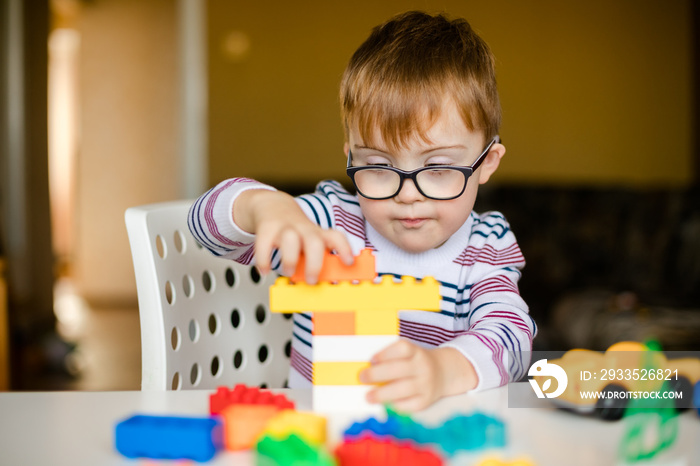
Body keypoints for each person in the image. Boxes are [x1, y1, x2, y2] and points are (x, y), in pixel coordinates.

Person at [188, 10, 536, 411]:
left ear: (487, 163)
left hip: (429, 441)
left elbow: (511, 335)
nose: (408, 195)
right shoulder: (329, 223)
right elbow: (203, 226)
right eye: (379, 166)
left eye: (438, 168)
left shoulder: (487, 246)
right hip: (315, 439)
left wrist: (443, 370)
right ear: (351, 156)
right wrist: (265, 207)